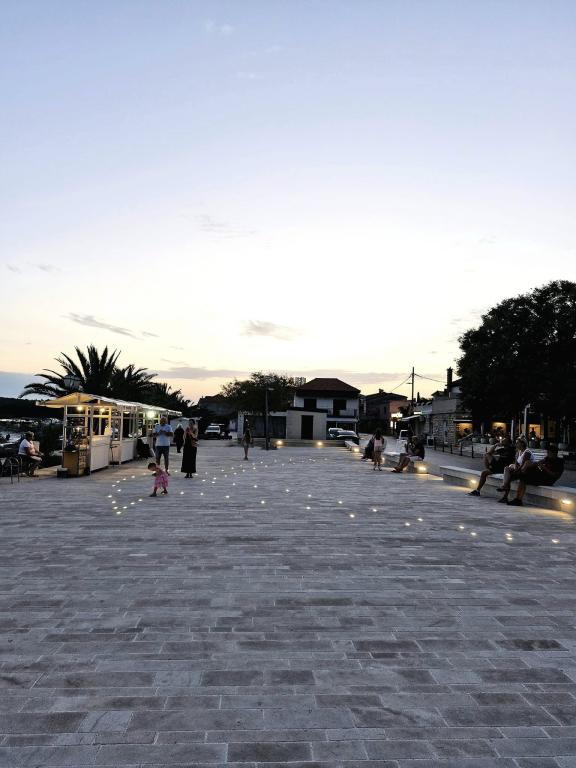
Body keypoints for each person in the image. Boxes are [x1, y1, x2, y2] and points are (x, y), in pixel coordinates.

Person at [496, 438, 534, 503]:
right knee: (507, 469)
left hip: (526, 471)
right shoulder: (518, 451)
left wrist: (515, 470)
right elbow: (516, 462)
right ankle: (504, 488)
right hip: (519, 470)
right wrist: (515, 468)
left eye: (517, 443)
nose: (516, 444)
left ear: (522, 444)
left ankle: (505, 492)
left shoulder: (527, 452)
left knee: (509, 476)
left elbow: (523, 464)